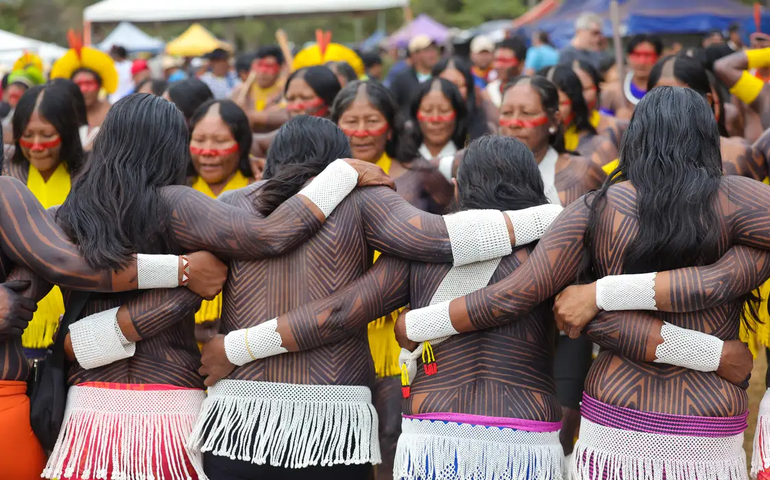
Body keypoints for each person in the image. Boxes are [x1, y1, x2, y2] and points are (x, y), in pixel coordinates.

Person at [396, 86, 770, 480]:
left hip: (617, 408)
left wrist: (420, 325)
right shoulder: (742, 202)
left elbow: (517, 295)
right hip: (706, 410)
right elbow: (710, 284)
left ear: (636, 138)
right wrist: (711, 348)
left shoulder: (599, 208)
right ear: (707, 138)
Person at [26, 92, 392, 480]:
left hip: (88, 412)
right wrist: (341, 174)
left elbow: (20, 297)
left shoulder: (63, 216)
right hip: (171, 405)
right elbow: (270, 236)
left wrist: (87, 338)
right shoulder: (178, 204)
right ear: (170, 148)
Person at [188, 114, 562, 479]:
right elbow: (436, 239)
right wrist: (562, 219)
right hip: (334, 424)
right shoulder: (363, 202)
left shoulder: (229, 205)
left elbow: (345, 309)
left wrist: (234, 347)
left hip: (240, 417)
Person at [332, 81, 456, 477]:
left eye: (372, 120)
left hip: (401, 325)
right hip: (338, 320)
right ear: (335, 125)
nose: (362, 130)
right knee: (343, 434)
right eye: (351, 121)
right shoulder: (320, 179)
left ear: (391, 125)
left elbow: (451, 240)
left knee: (393, 429)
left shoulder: (422, 176)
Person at [498, 75, 606, 456]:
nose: (514, 122)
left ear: (553, 120)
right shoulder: (479, 168)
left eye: (526, 113)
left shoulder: (582, 173)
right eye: (506, 112)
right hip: (503, 319)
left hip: (566, 322)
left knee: (562, 424)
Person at [2, 83, 87, 362]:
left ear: (67, 132)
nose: (37, 146)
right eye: (28, 136)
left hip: (73, 326)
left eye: (47, 135)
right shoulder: (7, 172)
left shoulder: (88, 175)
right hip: (12, 320)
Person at [188, 99, 254, 328]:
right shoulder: (174, 189)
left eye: (220, 141)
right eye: (199, 140)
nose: (207, 151)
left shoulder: (260, 189)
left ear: (242, 144)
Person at [649, 54, 766, 181]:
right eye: (659, 99)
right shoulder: (632, 158)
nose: (670, 109)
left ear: (707, 100)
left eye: (682, 99)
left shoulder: (738, 155)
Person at [539, 65, 617, 168]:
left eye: (561, 103)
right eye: (546, 105)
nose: (553, 111)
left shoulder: (600, 147)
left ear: (574, 103)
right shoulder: (533, 145)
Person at [50, 43, 118, 130]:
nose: (83, 90)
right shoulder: (62, 114)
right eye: (78, 84)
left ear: (100, 86)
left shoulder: (113, 114)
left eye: (89, 83)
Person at [402, 78, 468, 167]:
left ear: (458, 114)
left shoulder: (468, 162)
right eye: (428, 110)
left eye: (444, 110)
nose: (435, 119)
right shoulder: (402, 161)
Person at [568, 58, 627, 149]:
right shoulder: (556, 133)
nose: (581, 96)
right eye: (575, 89)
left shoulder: (618, 128)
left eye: (587, 89)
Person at [600, 34, 663, 119]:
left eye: (648, 55)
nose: (642, 62)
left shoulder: (667, 91)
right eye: (637, 55)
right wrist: (616, 121)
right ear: (628, 57)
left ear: (659, 58)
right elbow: (602, 124)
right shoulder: (613, 91)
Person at [432, 56, 495, 140]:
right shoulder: (420, 127)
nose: (453, 91)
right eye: (446, 85)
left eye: (457, 85)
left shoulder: (486, 128)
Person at [390, 35, 440, 110]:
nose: (433, 54)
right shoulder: (402, 79)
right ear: (414, 55)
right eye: (427, 51)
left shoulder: (442, 76)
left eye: (434, 49)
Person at [230, 46, 285, 113]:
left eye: (269, 66)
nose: (263, 72)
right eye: (259, 65)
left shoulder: (285, 91)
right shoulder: (240, 92)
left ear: (280, 68)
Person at [486, 36, 527, 107]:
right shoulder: (489, 91)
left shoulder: (531, 91)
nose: (498, 65)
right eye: (496, 60)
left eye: (505, 61)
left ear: (521, 64)